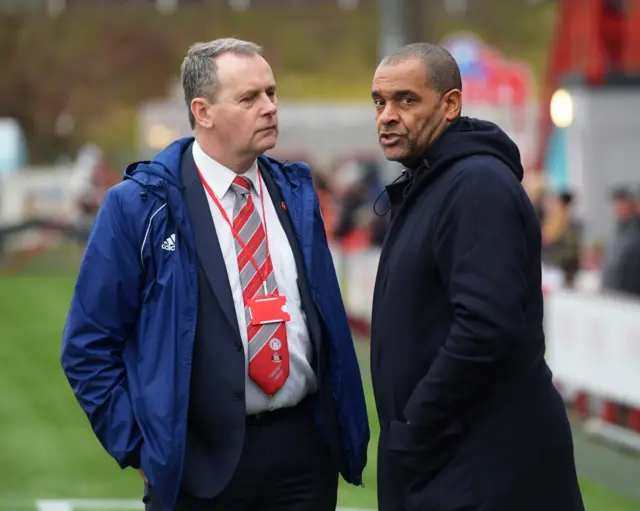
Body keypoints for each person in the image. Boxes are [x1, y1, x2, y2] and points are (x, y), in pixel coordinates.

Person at [60, 38, 369, 511]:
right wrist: (140, 449)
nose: (269, 107)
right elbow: (87, 344)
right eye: (249, 98)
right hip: (199, 465)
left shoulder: (296, 190)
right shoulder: (139, 204)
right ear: (202, 111)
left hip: (304, 455)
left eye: (271, 92)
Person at [369, 42, 584, 511]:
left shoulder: (476, 186)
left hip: (478, 466)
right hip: (450, 457)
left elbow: (486, 328)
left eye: (406, 99)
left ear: (450, 105)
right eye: (379, 102)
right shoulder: (433, 181)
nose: (387, 115)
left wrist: (416, 425)